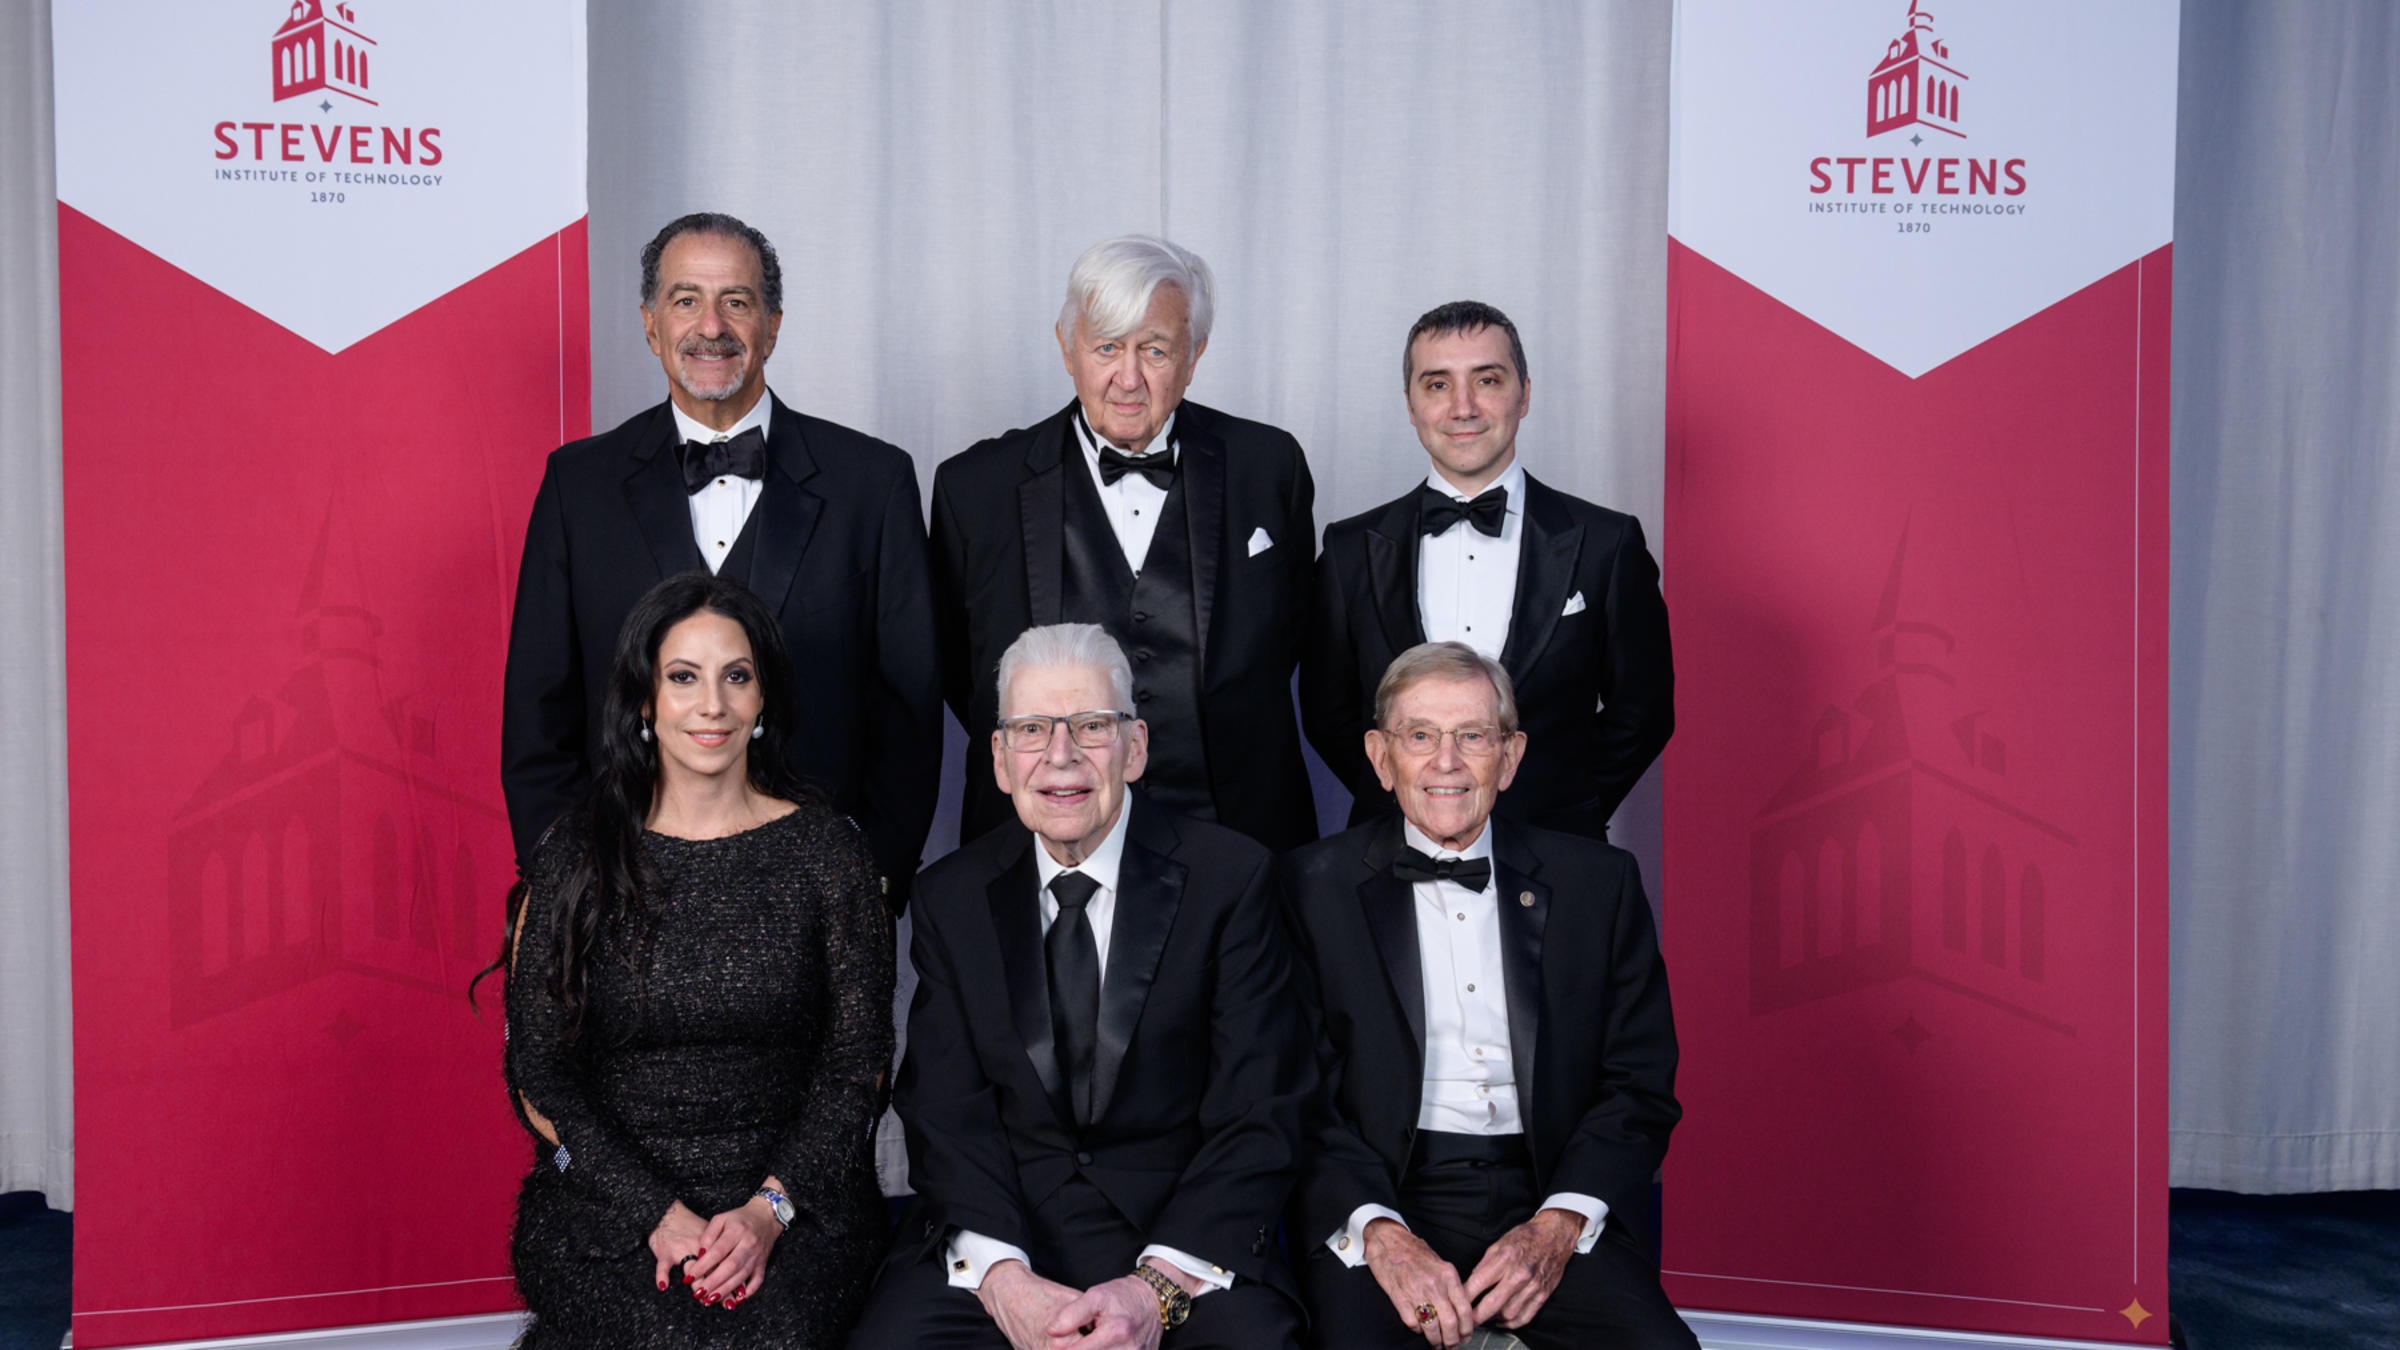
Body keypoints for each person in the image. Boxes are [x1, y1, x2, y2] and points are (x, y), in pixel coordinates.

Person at [849, 623, 1313, 1350]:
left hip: (1178, 1241)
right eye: (1032, 729)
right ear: (999, 759)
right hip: (1004, 1236)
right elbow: (943, 1108)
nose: (1060, 757)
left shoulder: (1234, 879)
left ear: (1136, 747)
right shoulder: (951, 896)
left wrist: (1154, 1288)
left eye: (1091, 726)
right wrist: (1005, 1280)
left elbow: (1261, 1112)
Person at [497, 571, 894, 1347]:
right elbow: (539, 1074)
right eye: (683, 678)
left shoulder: (827, 854)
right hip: (609, 1205)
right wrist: (656, 1214)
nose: (711, 704)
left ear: (763, 700)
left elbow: (860, 1066)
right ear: (645, 701)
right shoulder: (575, 857)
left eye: (735, 677)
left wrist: (766, 1212)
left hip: (798, 1204)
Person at [503, 211, 941, 904]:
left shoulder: (872, 483)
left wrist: (867, 884)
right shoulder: (576, 486)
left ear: (773, 324)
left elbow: (909, 715)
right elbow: (538, 715)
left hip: (814, 904)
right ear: (651, 325)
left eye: (736, 301)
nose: (711, 326)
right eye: (686, 301)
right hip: (622, 899)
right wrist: (570, 885)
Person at [1280, 642, 1695, 1349]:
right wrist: (1378, 1230)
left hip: (1549, 1187)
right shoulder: (1307, 887)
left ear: (1510, 756)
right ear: (1381, 757)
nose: (1447, 761)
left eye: (1473, 736)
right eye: (1421, 736)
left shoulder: (1599, 884)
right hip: (1383, 1191)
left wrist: (1560, 1223)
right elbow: (1292, 1091)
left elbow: (1639, 1084)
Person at [930, 236, 1318, 854]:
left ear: (1194, 355)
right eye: (1106, 346)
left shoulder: (1268, 466)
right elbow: (959, 669)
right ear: (1067, 348)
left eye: (1155, 350)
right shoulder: (975, 487)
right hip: (1039, 842)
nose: (1128, 378)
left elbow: (1297, 636)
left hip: (1239, 837)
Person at [1302, 301, 1673, 842]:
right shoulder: (1348, 549)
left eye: (1488, 380)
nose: (1463, 407)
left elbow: (1644, 709)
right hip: (1389, 851)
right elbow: (1327, 713)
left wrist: (1564, 806)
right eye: (1437, 385)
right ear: (1410, 404)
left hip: (1560, 853)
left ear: (1524, 393)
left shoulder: (1606, 544)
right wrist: (1414, 798)